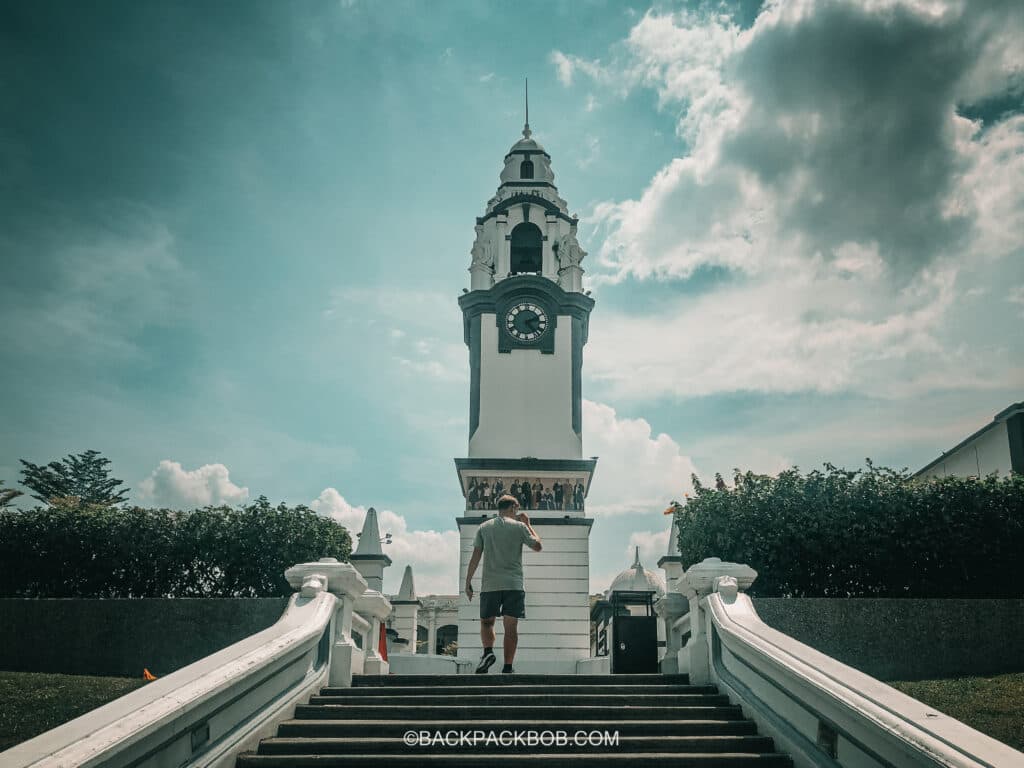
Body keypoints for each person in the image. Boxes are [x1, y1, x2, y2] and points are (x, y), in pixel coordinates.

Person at [465, 494, 542, 674]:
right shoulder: (520, 527)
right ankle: (508, 667)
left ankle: (488, 652)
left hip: (490, 584)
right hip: (514, 585)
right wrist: (529, 524)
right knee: (510, 627)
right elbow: (538, 546)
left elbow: (475, 556)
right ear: (513, 507)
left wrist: (468, 582)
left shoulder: (484, 527)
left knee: (487, 623)